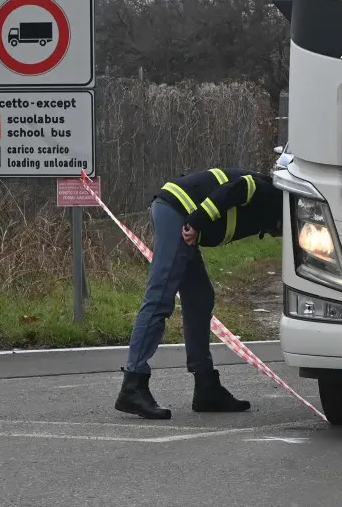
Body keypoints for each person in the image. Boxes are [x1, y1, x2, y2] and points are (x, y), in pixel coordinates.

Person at [114, 167, 284, 420]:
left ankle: (206, 387)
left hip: (182, 213)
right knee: (160, 296)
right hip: (178, 212)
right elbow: (239, 187)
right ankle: (133, 385)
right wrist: (196, 221)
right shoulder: (273, 194)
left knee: (200, 297)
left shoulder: (276, 210)